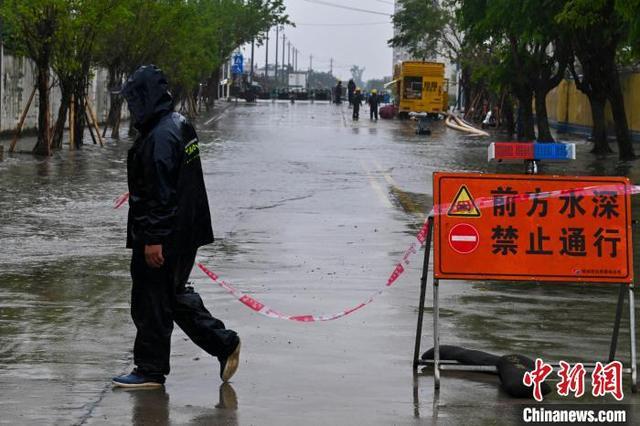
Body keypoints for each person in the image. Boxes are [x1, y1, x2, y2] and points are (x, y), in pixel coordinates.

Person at [112, 65, 241, 389]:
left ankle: (151, 369)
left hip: (165, 236)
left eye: (132, 100)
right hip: (184, 232)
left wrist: (153, 239)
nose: (130, 107)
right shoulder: (178, 125)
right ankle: (222, 343)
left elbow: (161, 193)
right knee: (171, 297)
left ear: (145, 98)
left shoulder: (160, 136)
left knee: (151, 302)